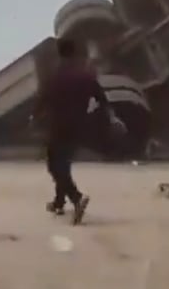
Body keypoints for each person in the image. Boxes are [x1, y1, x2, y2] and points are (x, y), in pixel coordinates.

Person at [33, 38, 118, 224]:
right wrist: (111, 119)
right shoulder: (86, 77)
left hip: (58, 127)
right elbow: (102, 99)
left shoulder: (53, 77)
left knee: (55, 166)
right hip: (79, 126)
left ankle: (77, 197)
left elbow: (41, 101)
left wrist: (35, 118)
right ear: (75, 53)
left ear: (59, 53)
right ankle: (59, 202)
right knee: (64, 164)